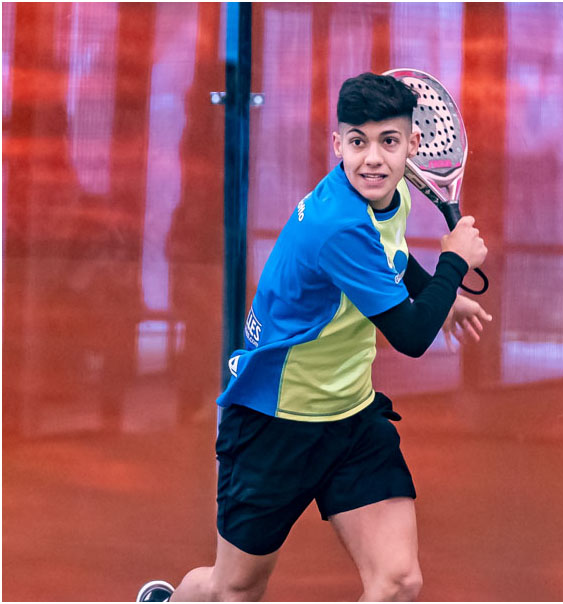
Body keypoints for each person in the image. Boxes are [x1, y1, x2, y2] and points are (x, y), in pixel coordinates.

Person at [138, 72, 491, 602]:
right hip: (274, 423)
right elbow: (412, 337)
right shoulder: (336, 225)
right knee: (233, 589)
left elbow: (390, 257)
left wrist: (441, 296)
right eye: (358, 142)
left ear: (413, 145)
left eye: (388, 141)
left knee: (398, 582)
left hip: (351, 418)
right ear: (338, 144)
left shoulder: (390, 196)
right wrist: (454, 263)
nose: (373, 158)